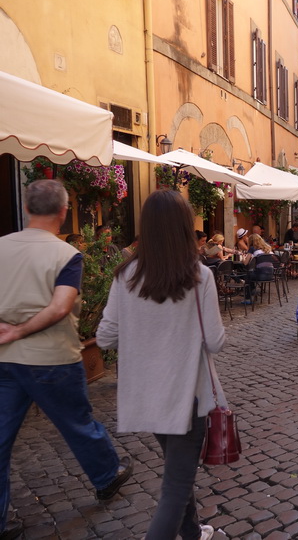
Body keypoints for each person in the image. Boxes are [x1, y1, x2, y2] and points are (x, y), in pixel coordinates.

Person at [0, 180, 133, 538]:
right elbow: (60, 307)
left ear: (27, 209)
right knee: (77, 423)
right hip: (52, 358)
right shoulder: (66, 255)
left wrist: (7, 331)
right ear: (63, 212)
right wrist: (20, 330)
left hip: (5, 361)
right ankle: (107, 476)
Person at [97, 189, 225, 540]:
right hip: (188, 397)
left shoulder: (126, 276)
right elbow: (215, 341)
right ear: (185, 227)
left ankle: (193, 532)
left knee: (177, 473)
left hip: (146, 393)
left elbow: (105, 338)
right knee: (175, 486)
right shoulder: (199, 276)